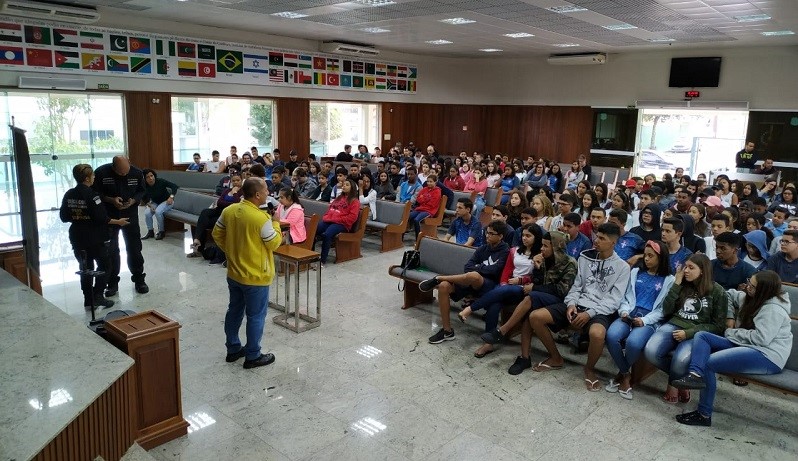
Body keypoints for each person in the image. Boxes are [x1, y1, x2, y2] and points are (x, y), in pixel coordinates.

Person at [672, 270, 792, 427]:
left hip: (768, 355)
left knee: (709, 363)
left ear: (763, 291)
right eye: (749, 281)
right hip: (747, 345)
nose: (747, 287)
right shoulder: (750, 297)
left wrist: (731, 332)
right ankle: (695, 375)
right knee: (702, 336)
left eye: (752, 286)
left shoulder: (773, 310)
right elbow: (728, 294)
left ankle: (703, 414)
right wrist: (730, 317)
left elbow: (761, 339)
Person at [526, 223, 630, 388]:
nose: (596, 241)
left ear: (613, 243)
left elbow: (614, 299)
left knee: (597, 334)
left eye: (602, 239)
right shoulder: (585, 257)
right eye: (596, 236)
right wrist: (571, 304)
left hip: (599, 310)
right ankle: (555, 358)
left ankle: (589, 369)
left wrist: (589, 313)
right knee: (536, 317)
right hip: (577, 303)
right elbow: (576, 286)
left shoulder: (622, 267)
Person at [212, 177, 282, 369]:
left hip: (234, 273)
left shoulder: (229, 210)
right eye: (266, 190)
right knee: (256, 316)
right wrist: (276, 223)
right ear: (258, 194)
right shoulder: (261, 219)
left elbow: (216, 234)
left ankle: (233, 348)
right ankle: (253, 355)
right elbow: (274, 243)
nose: (268, 193)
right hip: (256, 277)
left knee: (234, 310)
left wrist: (232, 251)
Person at [482, 231, 578, 368]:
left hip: (560, 302)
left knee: (531, 297)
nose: (541, 249)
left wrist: (535, 288)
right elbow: (537, 281)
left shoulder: (570, 263)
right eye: (542, 245)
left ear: (556, 247)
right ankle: (524, 357)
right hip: (542, 298)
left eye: (545, 246)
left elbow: (562, 291)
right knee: (528, 314)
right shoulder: (544, 260)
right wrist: (537, 268)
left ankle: (502, 331)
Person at [643, 254, 728, 403]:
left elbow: (718, 326)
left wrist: (689, 333)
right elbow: (667, 310)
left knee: (679, 360)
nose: (686, 271)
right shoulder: (682, 284)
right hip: (674, 324)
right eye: (685, 266)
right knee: (650, 351)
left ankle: (673, 385)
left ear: (703, 271)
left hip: (698, 333)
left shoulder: (718, 291)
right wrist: (676, 283)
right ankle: (682, 381)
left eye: (691, 268)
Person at [420, 220, 510, 344]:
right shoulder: (483, 248)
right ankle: (447, 331)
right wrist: (481, 269)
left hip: (490, 286)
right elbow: (467, 266)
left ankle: (439, 277)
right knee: (444, 286)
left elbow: (495, 270)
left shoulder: (505, 251)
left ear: (500, 236)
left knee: (475, 275)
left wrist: (478, 268)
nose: (487, 236)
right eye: (487, 233)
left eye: (491, 233)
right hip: (470, 282)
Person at [460, 223, 542, 357]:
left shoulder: (540, 255)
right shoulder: (514, 250)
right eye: (523, 235)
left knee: (504, 292)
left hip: (523, 290)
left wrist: (521, 280)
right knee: (494, 304)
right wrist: (503, 283)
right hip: (508, 285)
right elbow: (507, 271)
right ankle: (488, 344)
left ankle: (470, 308)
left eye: (528, 236)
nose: (524, 238)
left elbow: (537, 278)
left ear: (536, 237)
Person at [605, 240, 674, 399]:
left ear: (661, 257)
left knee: (634, 343)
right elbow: (626, 296)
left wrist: (645, 321)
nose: (647, 259)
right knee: (612, 336)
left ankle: (621, 375)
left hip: (649, 319)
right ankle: (625, 374)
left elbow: (662, 309)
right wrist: (623, 311)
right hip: (630, 313)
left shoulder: (668, 279)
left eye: (651, 256)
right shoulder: (636, 272)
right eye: (645, 255)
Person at [60, 164, 130, 309]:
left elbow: (64, 217)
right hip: (94, 237)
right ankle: (98, 295)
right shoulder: (93, 195)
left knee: (85, 267)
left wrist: (79, 217)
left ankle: (88, 298)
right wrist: (119, 222)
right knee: (105, 265)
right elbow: (102, 218)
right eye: (92, 176)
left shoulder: (69, 194)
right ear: (87, 178)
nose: (94, 178)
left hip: (77, 236)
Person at [92, 155, 148, 295]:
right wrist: (111, 200)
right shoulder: (101, 173)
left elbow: (141, 190)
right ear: (113, 166)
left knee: (134, 248)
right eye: (120, 172)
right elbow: (95, 193)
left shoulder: (137, 173)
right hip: (110, 216)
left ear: (129, 163)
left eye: (126, 171)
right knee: (111, 250)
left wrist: (134, 200)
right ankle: (112, 283)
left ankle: (139, 279)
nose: (124, 174)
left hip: (130, 215)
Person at [189, 172, 244, 257]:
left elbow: (237, 204)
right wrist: (230, 202)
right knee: (205, 212)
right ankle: (197, 241)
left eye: (238, 180)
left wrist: (235, 193)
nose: (236, 182)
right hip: (219, 211)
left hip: (228, 215)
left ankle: (199, 247)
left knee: (203, 223)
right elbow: (219, 202)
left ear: (242, 180)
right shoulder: (227, 190)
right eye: (233, 181)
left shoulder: (243, 192)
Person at [314, 179, 361, 266]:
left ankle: (322, 260)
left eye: (347, 185)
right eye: (343, 184)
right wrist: (327, 217)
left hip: (342, 224)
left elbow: (352, 218)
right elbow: (330, 210)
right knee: (313, 230)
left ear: (352, 188)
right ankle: (311, 255)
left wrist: (336, 219)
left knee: (327, 234)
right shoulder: (339, 198)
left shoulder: (355, 201)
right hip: (330, 221)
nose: (343, 186)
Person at [140, 169, 179, 241]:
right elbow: (143, 196)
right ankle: (150, 231)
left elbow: (175, 186)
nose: (150, 178)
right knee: (147, 213)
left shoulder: (160, 181)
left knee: (158, 212)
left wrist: (171, 197)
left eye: (151, 176)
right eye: (147, 177)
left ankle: (161, 231)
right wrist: (149, 205)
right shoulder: (144, 185)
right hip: (155, 203)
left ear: (154, 176)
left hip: (167, 202)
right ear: (145, 179)